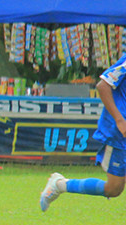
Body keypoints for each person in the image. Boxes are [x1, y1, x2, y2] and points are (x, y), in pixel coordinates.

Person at [40, 50, 126, 211]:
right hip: (119, 133)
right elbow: (103, 86)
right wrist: (120, 120)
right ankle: (59, 185)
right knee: (114, 189)